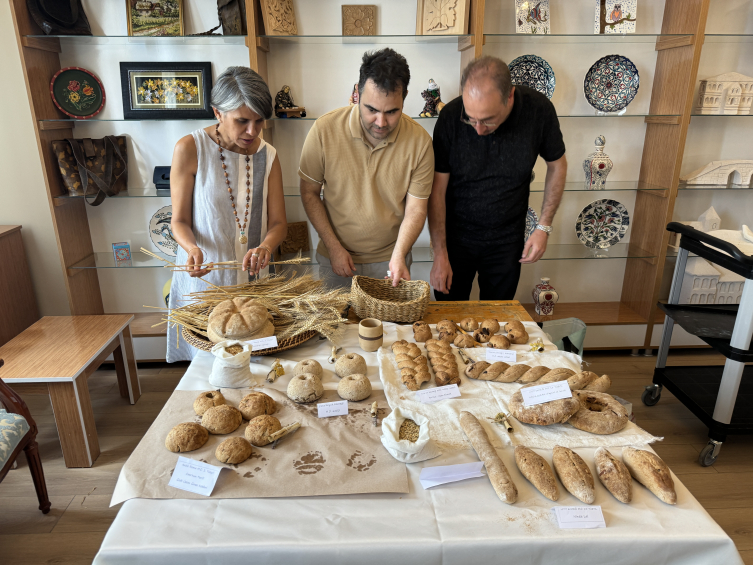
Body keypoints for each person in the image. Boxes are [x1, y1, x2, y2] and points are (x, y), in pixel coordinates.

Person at [167, 66, 287, 362]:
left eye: (259, 121)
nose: (252, 131)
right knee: (208, 362)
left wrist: (266, 246)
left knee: (255, 362)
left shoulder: (268, 155)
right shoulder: (190, 148)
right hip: (205, 277)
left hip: (252, 279)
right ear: (217, 113)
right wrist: (192, 248)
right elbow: (178, 221)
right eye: (242, 121)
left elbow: (278, 223)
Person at [428, 56, 567, 300]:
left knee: (498, 324)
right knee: (446, 324)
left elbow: (557, 165)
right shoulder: (450, 117)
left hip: (507, 241)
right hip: (455, 240)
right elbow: (437, 191)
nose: (479, 129)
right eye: (470, 119)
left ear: (510, 96)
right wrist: (439, 254)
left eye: (488, 120)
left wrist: (543, 226)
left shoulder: (538, 110)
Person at [299, 48, 434, 289]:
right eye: (372, 109)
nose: (381, 122)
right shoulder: (323, 130)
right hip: (336, 256)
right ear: (357, 94)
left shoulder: (420, 141)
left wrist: (399, 254)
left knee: (392, 328)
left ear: (404, 98)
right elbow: (309, 193)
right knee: (338, 327)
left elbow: (416, 209)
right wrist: (333, 247)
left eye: (392, 111)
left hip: (391, 259)